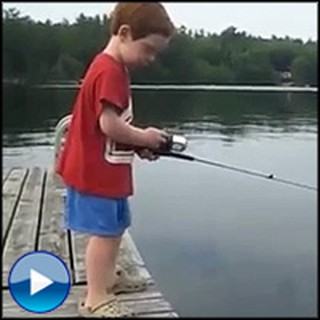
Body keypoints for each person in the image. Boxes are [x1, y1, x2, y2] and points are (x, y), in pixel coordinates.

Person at [56, 2, 175, 317]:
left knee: (116, 226)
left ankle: (108, 278)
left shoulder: (112, 67)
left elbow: (111, 127)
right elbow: (108, 125)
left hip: (108, 170)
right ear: (124, 33)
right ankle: (95, 298)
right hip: (95, 172)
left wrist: (137, 145)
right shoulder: (109, 70)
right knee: (105, 234)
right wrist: (144, 137)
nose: (150, 59)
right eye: (147, 49)